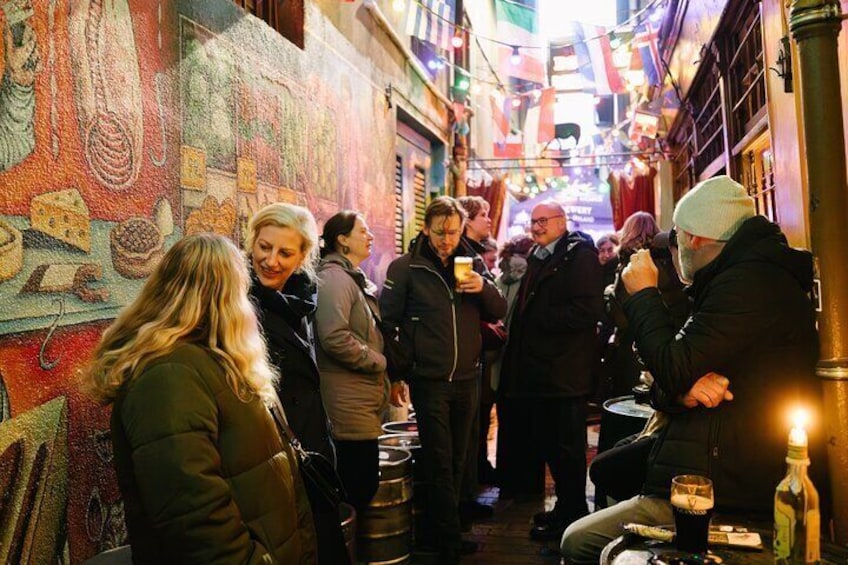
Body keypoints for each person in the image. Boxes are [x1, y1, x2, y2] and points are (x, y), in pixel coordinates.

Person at [561, 175, 826, 563]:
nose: (676, 248)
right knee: (604, 483)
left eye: (678, 238)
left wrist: (643, 295)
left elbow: (673, 363)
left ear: (695, 238)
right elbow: (673, 371)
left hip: (729, 487)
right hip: (702, 464)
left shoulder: (749, 282)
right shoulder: (733, 276)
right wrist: (680, 389)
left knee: (580, 541)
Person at [82, 233, 317, 563]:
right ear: (225, 297)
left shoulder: (214, 358)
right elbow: (194, 517)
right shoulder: (167, 376)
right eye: (242, 291)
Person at [380, 196, 507, 563]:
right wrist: (399, 372)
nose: (446, 240)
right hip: (430, 380)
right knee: (438, 458)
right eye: (440, 232)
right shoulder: (406, 268)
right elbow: (388, 324)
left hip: (467, 377)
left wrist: (482, 288)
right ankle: (447, 540)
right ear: (426, 229)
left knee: (459, 458)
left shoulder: (473, 265)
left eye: (453, 232)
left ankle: (444, 529)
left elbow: (499, 311)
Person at [245, 203, 347, 564]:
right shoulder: (240, 303)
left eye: (285, 252)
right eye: (263, 247)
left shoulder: (302, 298)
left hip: (312, 443)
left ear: (303, 255)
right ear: (251, 242)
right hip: (273, 455)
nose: (271, 260)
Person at [499, 201, 605, 541]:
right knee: (552, 446)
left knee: (567, 449)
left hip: (565, 372)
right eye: (533, 221)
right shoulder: (540, 255)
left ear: (562, 222)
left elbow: (588, 311)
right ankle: (565, 507)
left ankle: (573, 516)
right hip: (543, 373)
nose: (536, 227)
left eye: (543, 221)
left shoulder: (579, 256)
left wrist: (538, 322)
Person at [314, 210, 390, 516]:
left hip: (359, 398)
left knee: (360, 485)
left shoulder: (349, 276)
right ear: (342, 240)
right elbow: (334, 337)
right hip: (346, 402)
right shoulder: (334, 278)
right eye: (363, 231)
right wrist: (378, 361)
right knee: (358, 485)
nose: (370, 236)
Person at [456, 196, 498, 525]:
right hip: (462, 358)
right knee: (466, 434)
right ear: (466, 221)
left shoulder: (475, 255)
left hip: (473, 355)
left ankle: (472, 486)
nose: (488, 219)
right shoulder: (463, 258)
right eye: (482, 215)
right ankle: (463, 498)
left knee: (475, 428)